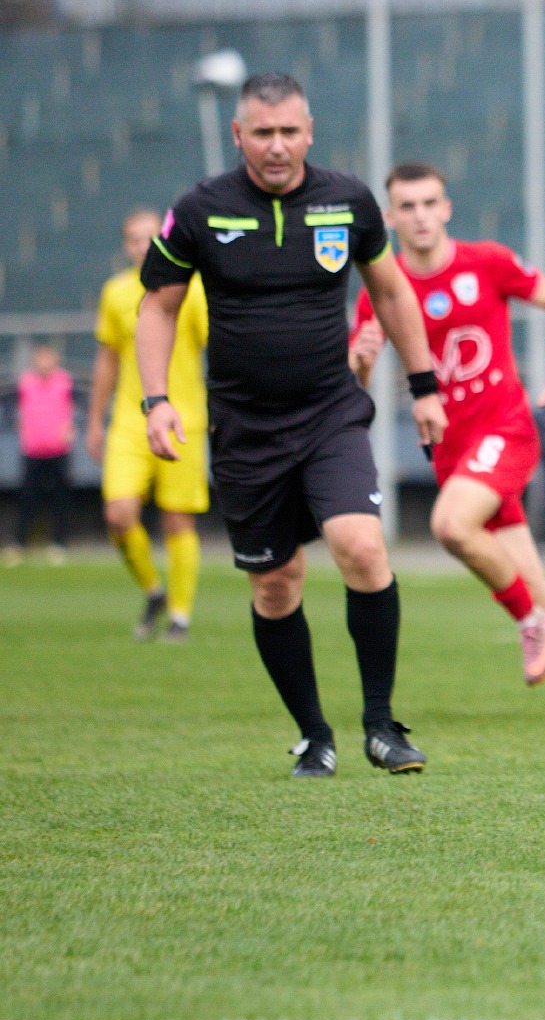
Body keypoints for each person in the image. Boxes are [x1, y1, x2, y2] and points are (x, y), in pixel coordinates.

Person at [137, 72, 446, 778]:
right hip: (245, 428)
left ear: (309, 132)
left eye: (289, 132)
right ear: (240, 134)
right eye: (262, 132)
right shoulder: (200, 209)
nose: (277, 147)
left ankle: (380, 723)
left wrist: (424, 385)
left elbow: (390, 289)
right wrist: (157, 401)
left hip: (329, 411)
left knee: (362, 547)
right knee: (276, 584)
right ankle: (315, 733)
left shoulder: (348, 200)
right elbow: (157, 307)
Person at [349, 163, 545, 718]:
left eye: (430, 202)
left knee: (451, 526)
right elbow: (356, 392)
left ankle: (531, 620)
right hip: (452, 454)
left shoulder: (487, 262)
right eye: (408, 206)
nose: (421, 215)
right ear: (389, 216)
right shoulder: (383, 290)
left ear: (447, 207)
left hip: (505, 432)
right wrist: (358, 366)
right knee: (532, 583)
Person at [86, 208, 209, 640]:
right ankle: (153, 590)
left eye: (150, 236)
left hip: (184, 419)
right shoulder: (115, 293)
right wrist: (93, 422)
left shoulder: (192, 290)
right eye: (135, 238)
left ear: (162, 238)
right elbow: (107, 359)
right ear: (126, 245)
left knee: (178, 520)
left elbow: (217, 346)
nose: (143, 244)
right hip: (129, 420)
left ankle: (179, 615)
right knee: (119, 515)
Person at [11, 343, 75, 564]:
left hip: (59, 450)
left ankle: (59, 544)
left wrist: (69, 429)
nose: (45, 363)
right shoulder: (25, 384)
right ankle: (19, 544)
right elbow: (17, 412)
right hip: (33, 450)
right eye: (41, 358)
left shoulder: (64, 382)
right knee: (27, 499)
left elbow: (77, 410)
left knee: (60, 499)